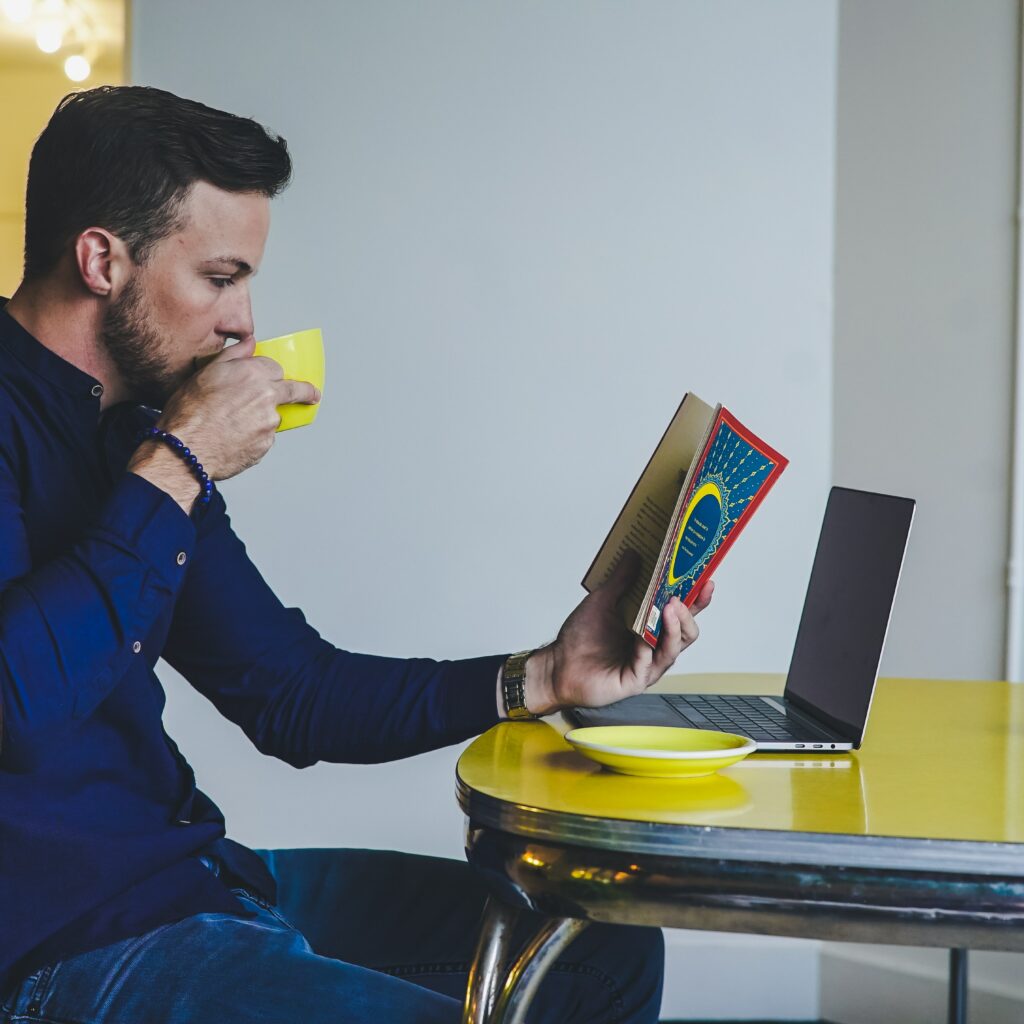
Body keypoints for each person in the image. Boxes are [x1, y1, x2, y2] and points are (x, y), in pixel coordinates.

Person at [0, 86, 713, 1024]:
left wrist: (543, 675)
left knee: (599, 953)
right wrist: (182, 465)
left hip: (194, 881)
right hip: (61, 946)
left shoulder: (140, 436)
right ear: (101, 259)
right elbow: (15, 700)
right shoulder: (157, 451)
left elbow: (291, 694)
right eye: (220, 277)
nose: (243, 324)